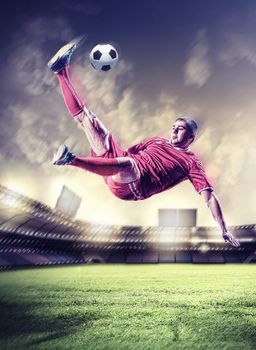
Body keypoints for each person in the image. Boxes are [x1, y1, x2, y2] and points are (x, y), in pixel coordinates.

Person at [48, 37, 240, 247]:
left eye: (181, 128)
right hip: (118, 168)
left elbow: (209, 197)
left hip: (132, 186)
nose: (174, 129)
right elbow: (129, 152)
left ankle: (70, 160)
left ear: (191, 137)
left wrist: (223, 229)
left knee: (128, 164)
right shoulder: (156, 141)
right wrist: (105, 150)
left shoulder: (191, 163)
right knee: (89, 120)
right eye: (174, 125)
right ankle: (60, 70)